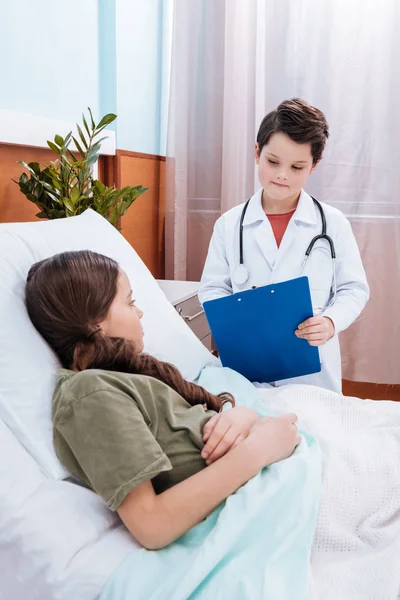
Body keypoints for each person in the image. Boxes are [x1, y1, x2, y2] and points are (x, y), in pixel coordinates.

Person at [25, 250, 300, 551]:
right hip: (271, 496)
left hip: (280, 470)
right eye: (130, 302)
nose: (140, 312)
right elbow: (151, 525)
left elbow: (198, 420)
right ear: (96, 322)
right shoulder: (90, 394)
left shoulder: (124, 375)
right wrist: (258, 449)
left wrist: (243, 417)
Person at [198, 98, 370, 393]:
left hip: (312, 376)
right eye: (273, 162)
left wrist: (330, 321)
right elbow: (212, 289)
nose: (282, 175)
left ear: (313, 167)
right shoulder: (229, 225)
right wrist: (236, 323)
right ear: (257, 152)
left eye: (297, 167)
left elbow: (354, 289)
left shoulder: (333, 223)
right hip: (248, 370)